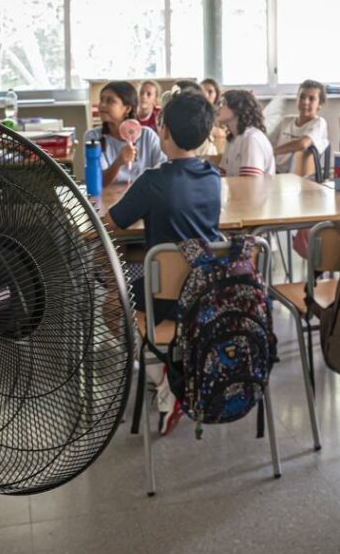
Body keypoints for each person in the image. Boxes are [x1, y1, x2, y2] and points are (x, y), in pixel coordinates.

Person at [104, 91, 223, 435]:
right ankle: (171, 367)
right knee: (145, 277)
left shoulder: (153, 181)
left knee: (111, 306)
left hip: (165, 296)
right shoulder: (213, 177)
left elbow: (113, 223)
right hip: (204, 291)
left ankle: (163, 374)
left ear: (164, 131)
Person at [84, 81, 167, 185]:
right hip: (109, 199)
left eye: (110, 101)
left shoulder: (148, 136)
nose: (102, 105)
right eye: (101, 100)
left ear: (127, 108)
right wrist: (119, 162)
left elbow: (165, 171)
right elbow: (97, 182)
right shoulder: (93, 137)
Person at [270, 79, 329, 174]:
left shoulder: (319, 123)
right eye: (302, 97)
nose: (305, 102)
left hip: (295, 177)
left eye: (311, 99)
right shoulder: (286, 121)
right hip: (273, 170)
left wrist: (274, 151)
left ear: (320, 104)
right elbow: (268, 142)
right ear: (297, 99)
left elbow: (302, 144)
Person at [217, 89, 274, 177]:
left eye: (223, 103)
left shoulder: (252, 139)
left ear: (238, 108)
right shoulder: (232, 139)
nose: (218, 107)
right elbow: (222, 175)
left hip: (254, 190)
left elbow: (250, 185)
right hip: (237, 190)